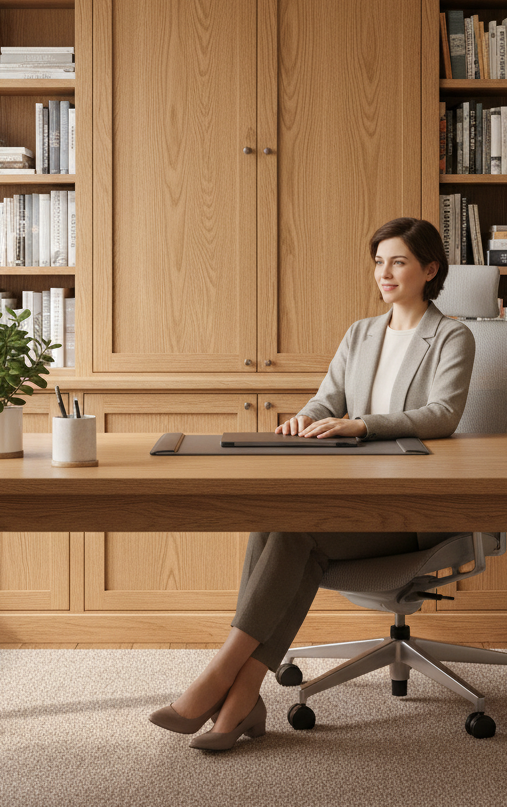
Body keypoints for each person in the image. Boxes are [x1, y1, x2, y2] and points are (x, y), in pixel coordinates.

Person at [149, 217, 476, 750]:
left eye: (398, 261)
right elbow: (327, 399)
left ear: (429, 270)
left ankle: (219, 680)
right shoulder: (361, 332)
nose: (384, 273)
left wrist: (363, 424)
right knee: (278, 523)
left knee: (295, 534)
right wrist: (305, 419)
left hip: (412, 513)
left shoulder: (452, 335)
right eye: (378, 262)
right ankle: (243, 695)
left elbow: (442, 414)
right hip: (353, 501)